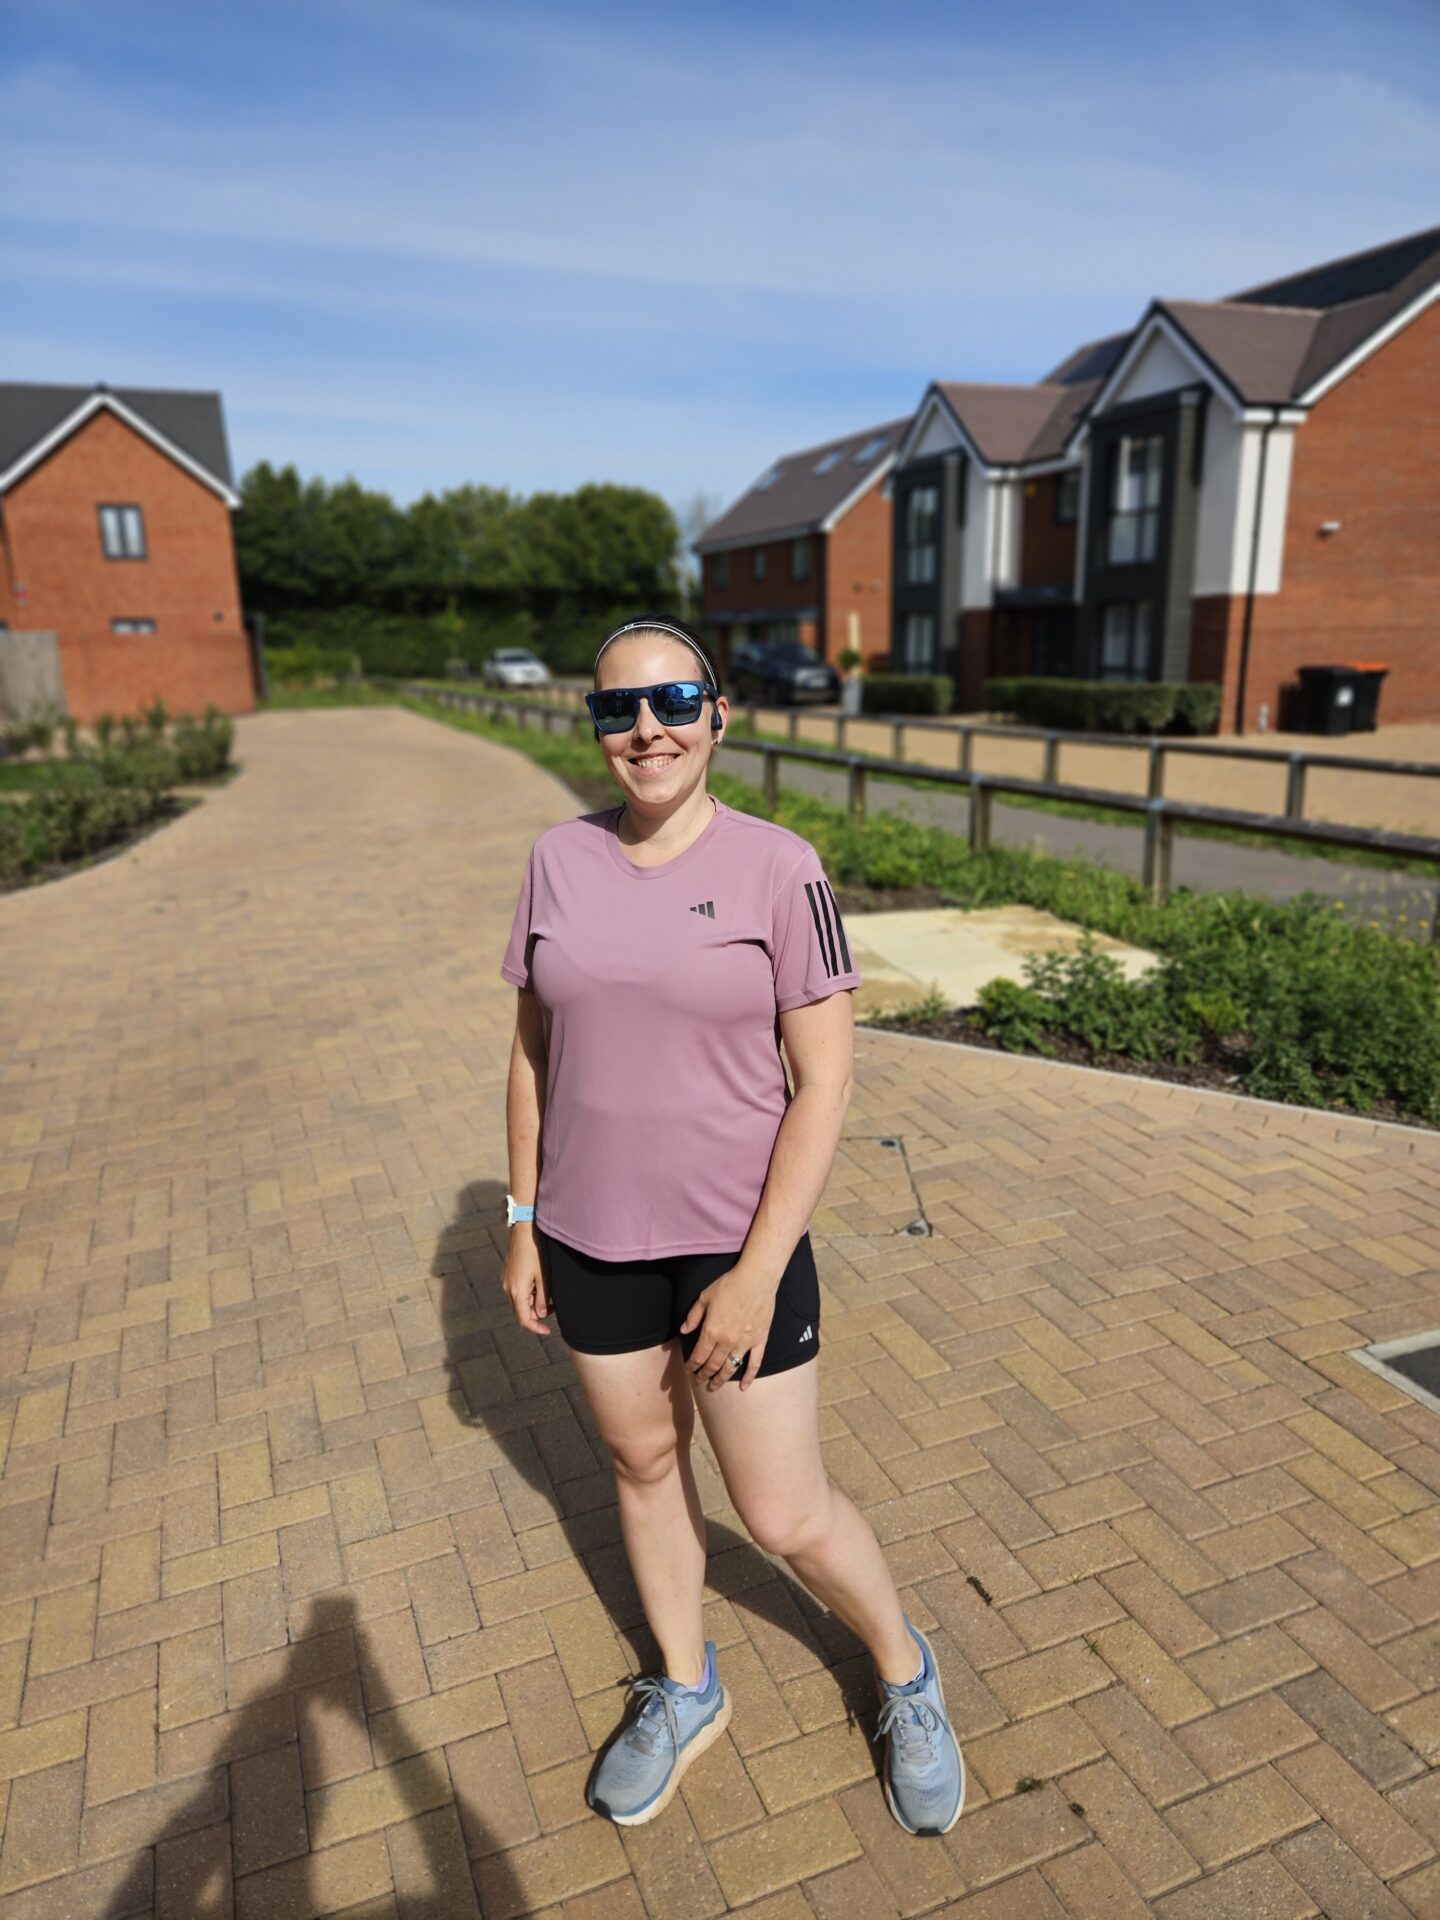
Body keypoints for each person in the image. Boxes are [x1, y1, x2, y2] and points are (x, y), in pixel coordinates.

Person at [498, 614, 964, 1837]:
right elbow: (533, 1053)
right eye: (616, 708)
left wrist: (760, 1273)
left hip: (732, 1246)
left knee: (780, 1512)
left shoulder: (779, 865)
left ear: (717, 713)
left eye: (670, 701)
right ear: (594, 724)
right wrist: (521, 1216)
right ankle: (686, 1683)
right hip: (592, 1237)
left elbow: (826, 1083)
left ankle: (906, 1672)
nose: (642, 727)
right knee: (644, 1466)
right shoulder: (557, 857)